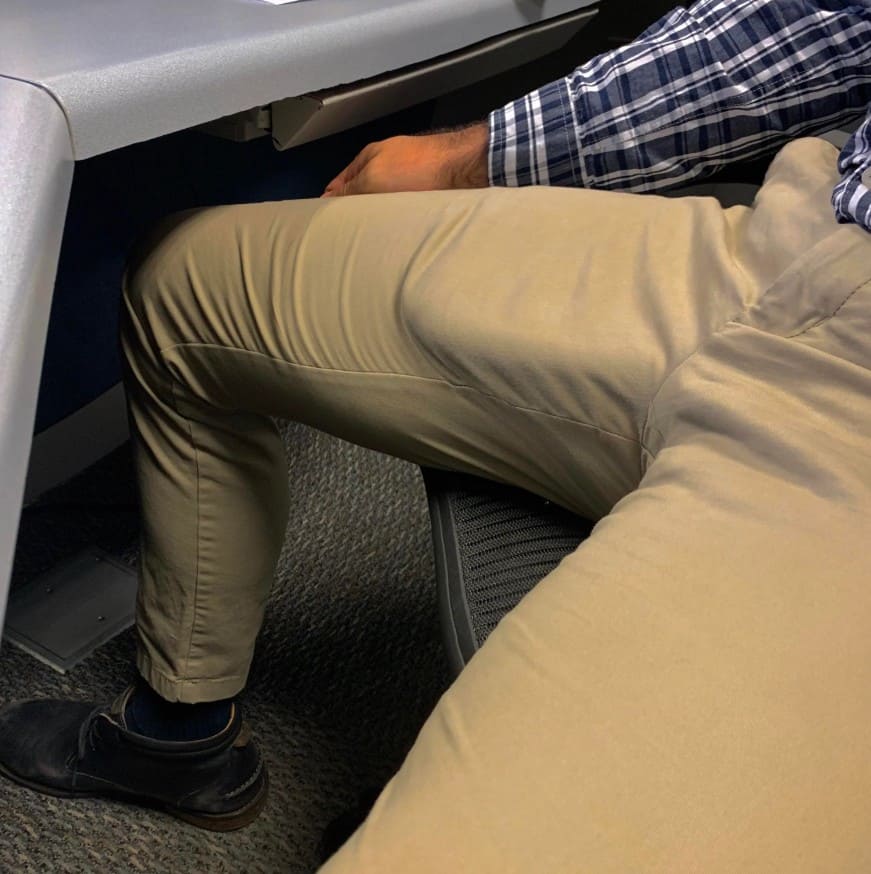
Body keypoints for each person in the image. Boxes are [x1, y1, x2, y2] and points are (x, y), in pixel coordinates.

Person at [2, 0, 871, 868]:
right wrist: (474, 155)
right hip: (800, 240)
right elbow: (802, 31)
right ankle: (179, 735)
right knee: (186, 289)